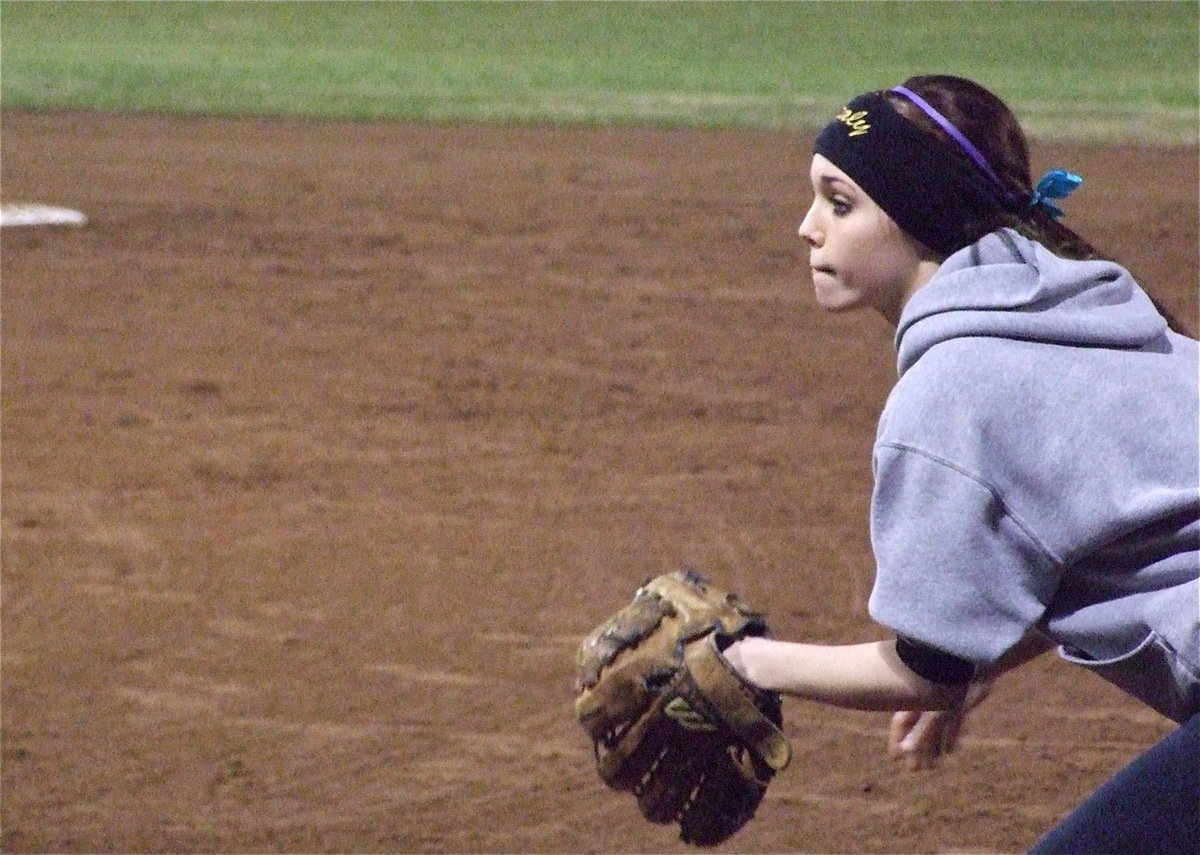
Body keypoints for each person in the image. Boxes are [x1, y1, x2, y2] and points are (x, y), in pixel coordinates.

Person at [720, 74, 1200, 852]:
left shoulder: (951, 390)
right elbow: (1110, 535)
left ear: (918, 219)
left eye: (839, 203)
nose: (807, 228)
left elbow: (923, 668)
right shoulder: (1088, 307)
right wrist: (976, 664)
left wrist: (748, 661)